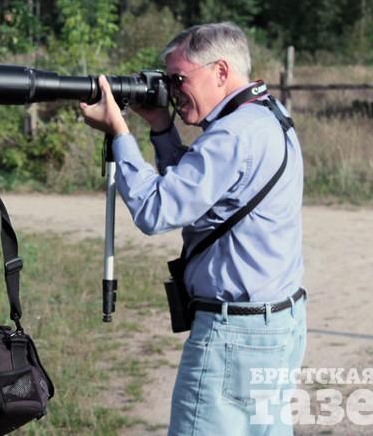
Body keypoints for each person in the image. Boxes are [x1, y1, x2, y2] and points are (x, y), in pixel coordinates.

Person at [80, 22, 307, 435]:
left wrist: (119, 132)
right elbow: (205, 201)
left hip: (235, 334)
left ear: (220, 71)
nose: (172, 90)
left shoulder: (232, 135)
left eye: (178, 79)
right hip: (277, 326)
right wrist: (162, 128)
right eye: (167, 81)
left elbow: (155, 210)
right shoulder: (268, 115)